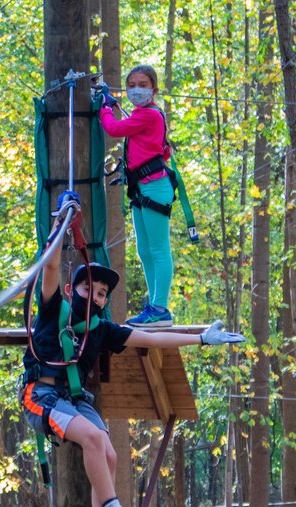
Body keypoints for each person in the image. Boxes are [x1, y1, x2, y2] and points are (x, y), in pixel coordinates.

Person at [21, 201, 243, 507]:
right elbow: (51, 268)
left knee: (108, 456)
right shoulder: (53, 309)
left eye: (104, 293)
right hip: (40, 396)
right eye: (91, 288)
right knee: (93, 439)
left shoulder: (103, 329)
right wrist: (62, 225)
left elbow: (151, 339)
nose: (98, 296)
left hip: (74, 399)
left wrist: (202, 339)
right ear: (75, 289)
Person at [98, 65, 178, 327]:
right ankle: (154, 305)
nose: (136, 89)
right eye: (131, 84)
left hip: (154, 186)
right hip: (142, 188)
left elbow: (113, 128)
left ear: (153, 89)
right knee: (145, 250)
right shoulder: (143, 114)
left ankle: (160, 308)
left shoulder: (151, 115)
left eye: (143, 84)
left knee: (158, 248)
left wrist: (104, 108)